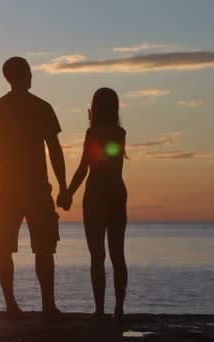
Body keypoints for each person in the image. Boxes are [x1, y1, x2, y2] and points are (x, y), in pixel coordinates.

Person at [0, 57, 69, 321]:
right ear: (24, 75)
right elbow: (54, 150)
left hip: (16, 186)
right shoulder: (40, 107)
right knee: (37, 246)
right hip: (29, 186)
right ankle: (44, 306)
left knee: (10, 244)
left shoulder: (0, 108)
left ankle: (18, 305)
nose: (31, 75)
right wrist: (64, 186)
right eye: (29, 71)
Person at [64, 87, 128, 321]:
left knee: (97, 256)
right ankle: (119, 309)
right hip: (117, 194)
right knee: (117, 255)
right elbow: (112, 160)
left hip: (96, 196)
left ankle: (100, 310)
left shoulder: (93, 133)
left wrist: (68, 193)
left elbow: (84, 168)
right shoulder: (120, 133)